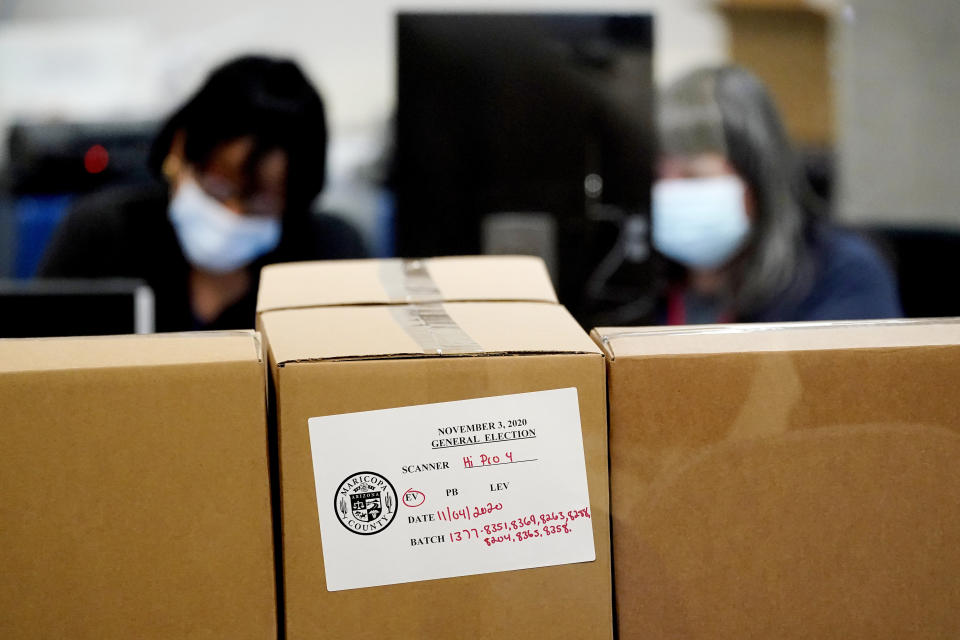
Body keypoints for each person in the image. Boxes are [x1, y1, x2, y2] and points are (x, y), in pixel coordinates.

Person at [40, 55, 366, 331]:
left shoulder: (330, 257)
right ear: (180, 151)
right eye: (219, 188)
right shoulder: (103, 234)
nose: (232, 213)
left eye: (258, 200)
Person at [651, 65, 901, 324]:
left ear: (757, 177)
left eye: (693, 175)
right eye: (656, 177)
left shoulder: (842, 273)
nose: (667, 192)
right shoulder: (629, 283)